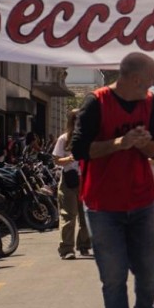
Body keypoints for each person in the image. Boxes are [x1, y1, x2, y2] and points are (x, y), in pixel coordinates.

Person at [71, 52, 154, 308]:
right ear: (135, 79)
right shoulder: (95, 103)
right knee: (113, 279)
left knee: (149, 272)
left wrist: (144, 145)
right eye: (150, 78)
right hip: (103, 205)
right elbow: (79, 149)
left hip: (141, 201)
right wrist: (119, 143)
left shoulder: (150, 103)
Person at [54, 109, 89, 260]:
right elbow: (56, 160)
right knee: (68, 215)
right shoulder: (64, 139)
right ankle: (67, 249)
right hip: (69, 180)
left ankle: (84, 245)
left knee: (86, 216)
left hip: (86, 180)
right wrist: (69, 159)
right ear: (72, 121)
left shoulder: (88, 138)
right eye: (77, 120)